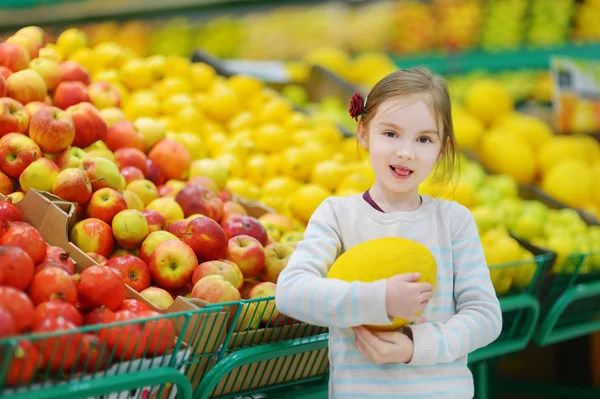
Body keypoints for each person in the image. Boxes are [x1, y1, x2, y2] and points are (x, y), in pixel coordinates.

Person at [275, 67, 502, 398]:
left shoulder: (454, 221)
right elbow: (291, 293)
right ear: (364, 132)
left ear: (442, 148)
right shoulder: (337, 215)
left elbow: (485, 317)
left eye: (424, 139)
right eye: (391, 133)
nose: (406, 151)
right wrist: (379, 299)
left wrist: (414, 346)